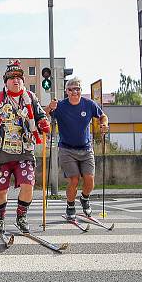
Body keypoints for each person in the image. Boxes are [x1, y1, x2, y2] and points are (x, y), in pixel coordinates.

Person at [0, 60, 50, 234]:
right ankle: (0, 219)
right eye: (11, 78)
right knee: (1, 190)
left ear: (23, 81)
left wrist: (43, 123)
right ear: (5, 81)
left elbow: (41, 116)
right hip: (1, 153)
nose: (16, 81)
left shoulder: (31, 98)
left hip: (25, 151)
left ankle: (21, 217)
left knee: (28, 185)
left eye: (19, 78)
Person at [44, 77, 109, 220]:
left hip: (86, 149)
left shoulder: (89, 104)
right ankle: (70, 205)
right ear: (66, 91)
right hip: (67, 149)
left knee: (89, 180)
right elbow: (43, 115)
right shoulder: (60, 106)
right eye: (71, 89)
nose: (74, 91)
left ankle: (85, 198)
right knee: (74, 180)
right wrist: (50, 107)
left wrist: (104, 124)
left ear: (80, 90)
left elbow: (102, 116)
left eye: (77, 89)